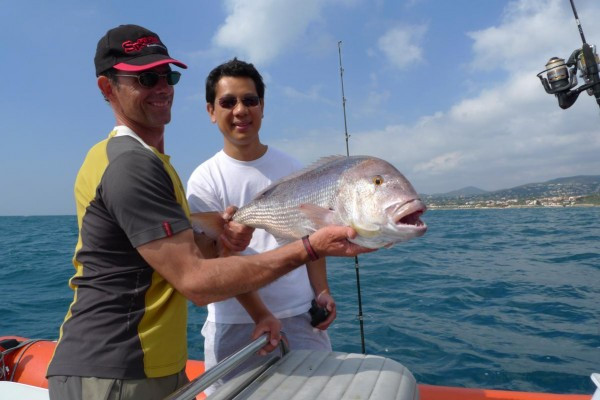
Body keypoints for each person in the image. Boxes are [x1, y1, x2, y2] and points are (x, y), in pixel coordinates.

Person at [45, 24, 372, 400]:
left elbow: (188, 258)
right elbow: (196, 281)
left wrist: (224, 247)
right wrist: (311, 248)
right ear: (107, 88)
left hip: (148, 366)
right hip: (115, 370)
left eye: (167, 75)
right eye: (145, 78)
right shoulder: (133, 165)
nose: (162, 87)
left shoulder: (152, 163)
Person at [186, 58, 337, 394]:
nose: (240, 110)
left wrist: (321, 291)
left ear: (263, 107)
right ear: (211, 111)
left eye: (249, 100)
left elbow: (311, 235)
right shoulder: (204, 179)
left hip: (301, 317)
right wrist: (260, 314)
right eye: (228, 102)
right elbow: (211, 264)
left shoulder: (293, 167)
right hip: (236, 323)